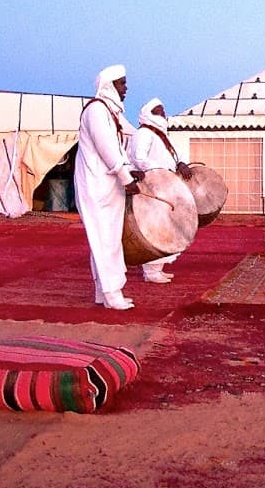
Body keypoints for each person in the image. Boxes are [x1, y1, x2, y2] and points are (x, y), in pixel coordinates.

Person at [76, 65, 143, 310]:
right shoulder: (96, 110)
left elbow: (127, 139)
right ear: (109, 86)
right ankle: (112, 293)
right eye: (122, 84)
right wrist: (127, 178)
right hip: (96, 186)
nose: (126, 88)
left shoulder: (110, 112)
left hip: (108, 186)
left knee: (106, 239)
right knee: (104, 239)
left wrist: (130, 167)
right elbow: (107, 149)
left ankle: (103, 292)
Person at [130, 98, 193, 283]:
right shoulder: (143, 134)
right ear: (148, 114)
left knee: (167, 228)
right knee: (155, 228)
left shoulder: (161, 135)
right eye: (158, 111)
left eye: (163, 110)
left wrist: (180, 163)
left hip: (166, 186)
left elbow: (174, 155)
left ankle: (157, 268)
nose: (163, 114)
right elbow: (139, 159)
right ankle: (150, 272)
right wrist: (163, 171)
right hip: (153, 187)